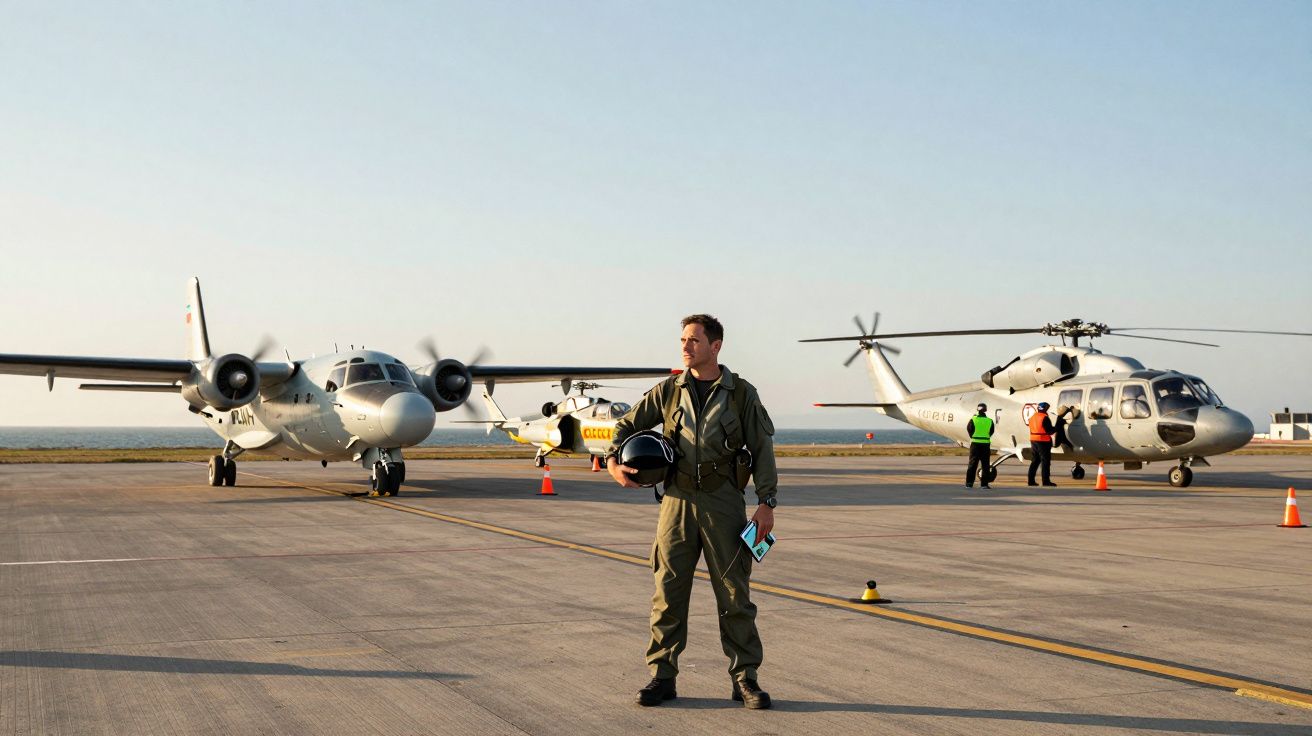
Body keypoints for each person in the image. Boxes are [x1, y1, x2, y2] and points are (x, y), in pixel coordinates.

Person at [606, 314, 779, 710]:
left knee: (735, 594)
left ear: (715, 346)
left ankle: (745, 679)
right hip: (677, 501)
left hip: (724, 502)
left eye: (694, 341)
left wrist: (767, 503)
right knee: (667, 593)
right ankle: (662, 677)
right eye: (683, 339)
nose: (685, 346)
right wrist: (613, 461)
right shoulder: (669, 391)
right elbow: (625, 425)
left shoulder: (741, 394)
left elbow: (762, 448)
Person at [965, 403, 994, 488]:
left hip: (975, 444)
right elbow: (991, 431)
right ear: (985, 410)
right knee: (985, 465)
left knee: (972, 464)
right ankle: (984, 485)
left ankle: (969, 483)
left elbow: (969, 429)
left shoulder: (973, 419)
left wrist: (973, 436)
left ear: (977, 409)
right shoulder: (989, 421)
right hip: (985, 444)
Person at [1028, 401, 1057, 487]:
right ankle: (1046, 481)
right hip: (1043, 441)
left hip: (1033, 440)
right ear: (1045, 408)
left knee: (1035, 461)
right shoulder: (1044, 418)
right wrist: (1057, 427)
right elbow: (1050, 431)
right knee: (1045, 461)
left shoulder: (1033, 417)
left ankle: (1031, 481)